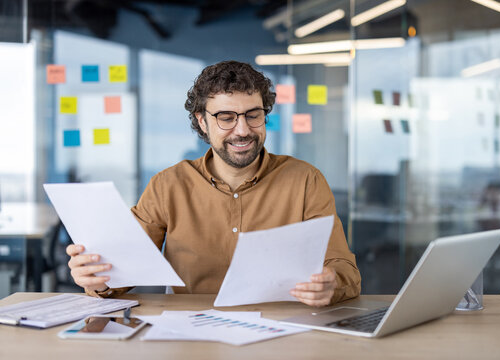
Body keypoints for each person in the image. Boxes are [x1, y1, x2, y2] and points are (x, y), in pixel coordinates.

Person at [66, 60, 361, 307]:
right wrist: (99, 278)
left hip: (281, 329)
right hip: (189, 334)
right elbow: (119, 275)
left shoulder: (306, 180)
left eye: (253, 115)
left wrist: (330, 283)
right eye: (226, 117)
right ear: (203, 122)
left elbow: (345, 269)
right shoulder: (168, 185)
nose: (243, 130)